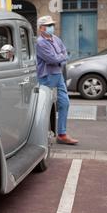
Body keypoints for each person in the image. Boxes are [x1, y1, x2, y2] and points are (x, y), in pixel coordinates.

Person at [36, 15, 78, 145]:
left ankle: (62, 134)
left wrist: (60, 56)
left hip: (58, 74)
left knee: (64, 103)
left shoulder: (56, 39)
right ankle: (43, 135)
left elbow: (65, 53)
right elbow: (52, 59)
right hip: (46, 76)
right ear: (41, 28)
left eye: (52, 25)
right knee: (46, 107)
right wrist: (61, 57)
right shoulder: (40, 42)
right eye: (48, 26)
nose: (51, 27)